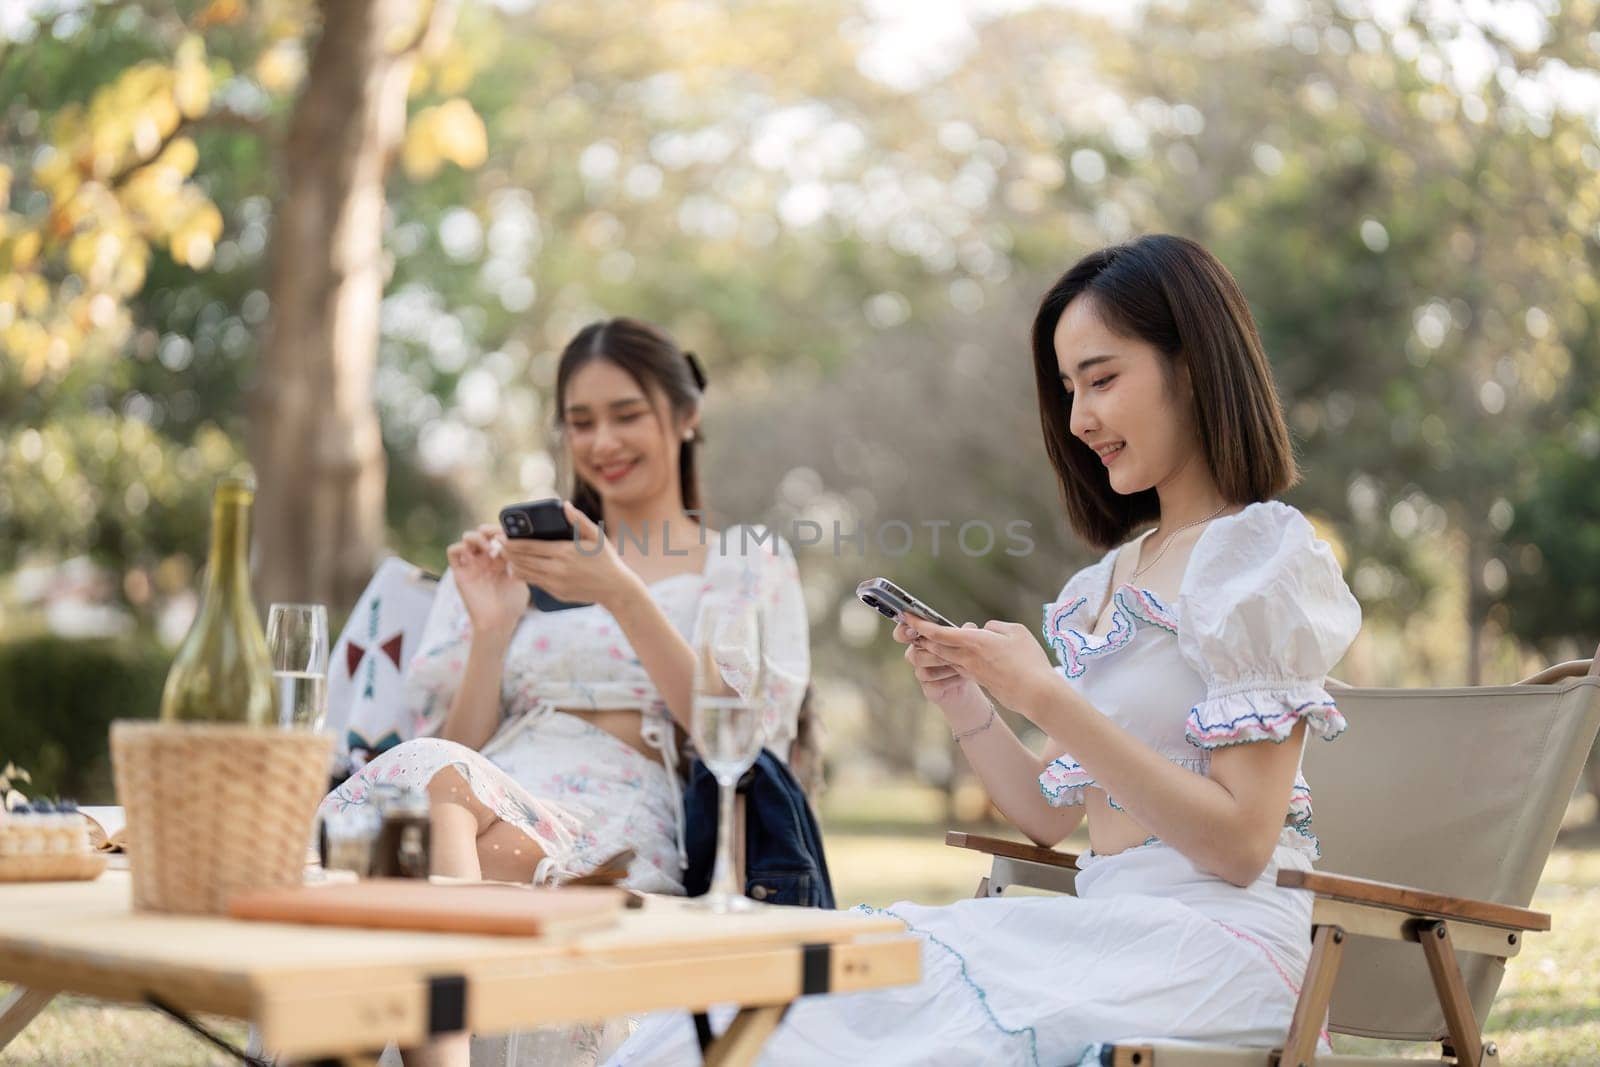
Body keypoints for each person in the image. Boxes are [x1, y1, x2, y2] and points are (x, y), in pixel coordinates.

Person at [609, 234, 1363, 1066]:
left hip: (1216, 951)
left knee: (863, 1032)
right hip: (1106, 931)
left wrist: (1045, 695)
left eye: (1103, 379)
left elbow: (1240, 844)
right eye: (1069, 387)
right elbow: (1048, 813)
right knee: (754, 999)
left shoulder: (1261, 558)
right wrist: (967, 701)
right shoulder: (1105, 582)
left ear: (1192, 365)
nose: (1079, 419)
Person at [318, 317, 809, 1067]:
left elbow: (740, 740)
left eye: (626, 414)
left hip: (615, 815)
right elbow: (458, 745)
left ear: (686, 415)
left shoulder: (744, 565)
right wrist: (491, 627)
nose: (602, 442)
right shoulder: (522, 567)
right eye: (581, 422)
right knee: (427, 792)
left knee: (415, 830)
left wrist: (621, 590)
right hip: (487, 787)